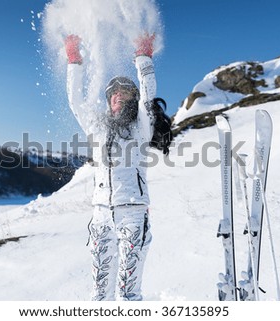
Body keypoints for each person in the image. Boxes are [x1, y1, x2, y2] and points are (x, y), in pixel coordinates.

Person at [64, 33, 157, 301]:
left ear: (132, 98)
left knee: (128, 293)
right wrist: (74, 60)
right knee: (100, 293)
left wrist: (143, 57)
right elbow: (76, 103)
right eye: (114, 92)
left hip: (133, 215)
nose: (118, 95)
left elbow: (149, 98)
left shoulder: (141, 127)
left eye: (125, 91)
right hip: (101, 216)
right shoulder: (98, 128)